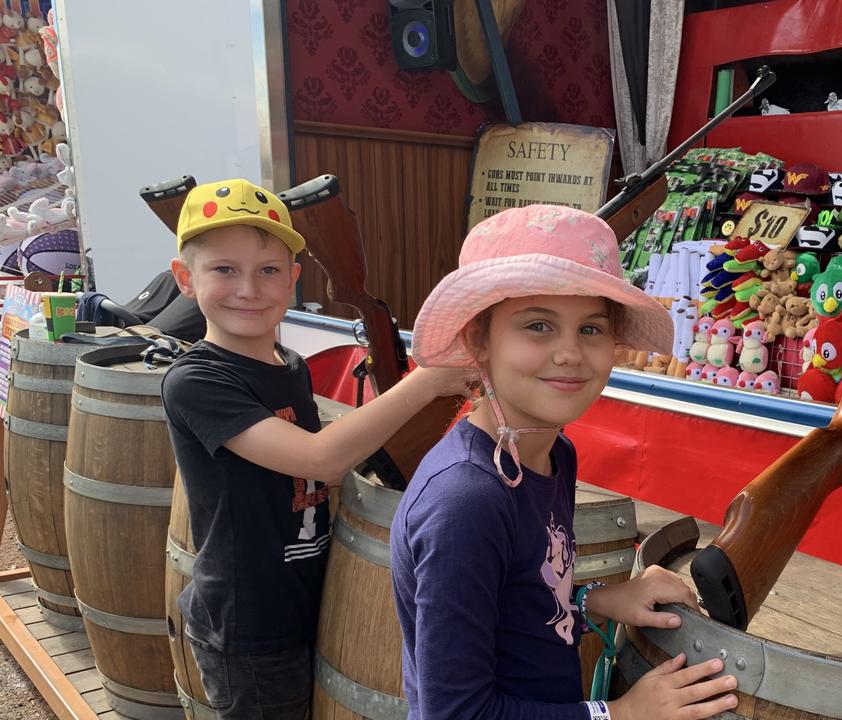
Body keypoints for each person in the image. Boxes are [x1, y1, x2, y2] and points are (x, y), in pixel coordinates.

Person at [392, 204, 740, 720]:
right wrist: (619, 714)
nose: (570, 353)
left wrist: (595, 599)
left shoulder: (554, 453)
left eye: (592, 330)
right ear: (477, 340)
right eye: (538, 325)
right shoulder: (465, 504)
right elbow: (456, 713)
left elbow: (524, 592)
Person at [161, 179, 470, 720]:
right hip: (248, 623)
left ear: (293, 280)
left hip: (311, 598)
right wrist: (428, 382)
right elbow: (319, 458)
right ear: (186, 279)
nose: (249, 289)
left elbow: (323, 476)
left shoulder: (290, 365)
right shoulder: (196, 380)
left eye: (269, 270)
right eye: (224, 270)